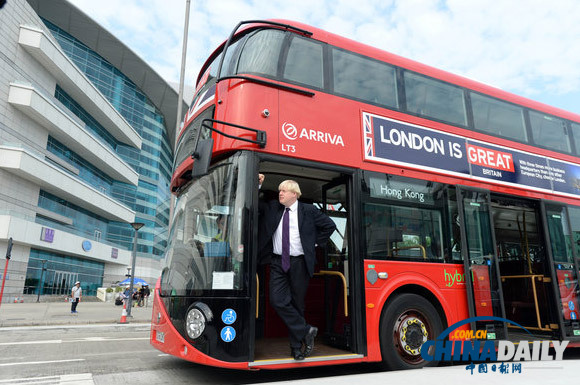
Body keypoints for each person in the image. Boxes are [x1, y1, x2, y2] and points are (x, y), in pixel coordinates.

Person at [258, 174, 336, 360]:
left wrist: (314, 245)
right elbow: (254, 204)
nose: (280, 194)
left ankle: (296, 348)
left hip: (299, 262)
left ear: (294, 193)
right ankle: (306, 331)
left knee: (297, 305)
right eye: (279, 191)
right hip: (278, 262)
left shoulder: (308, 210)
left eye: (284, 190)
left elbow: (330, 226)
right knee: (277, 300)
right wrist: (257, 185)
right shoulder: (272, 207)